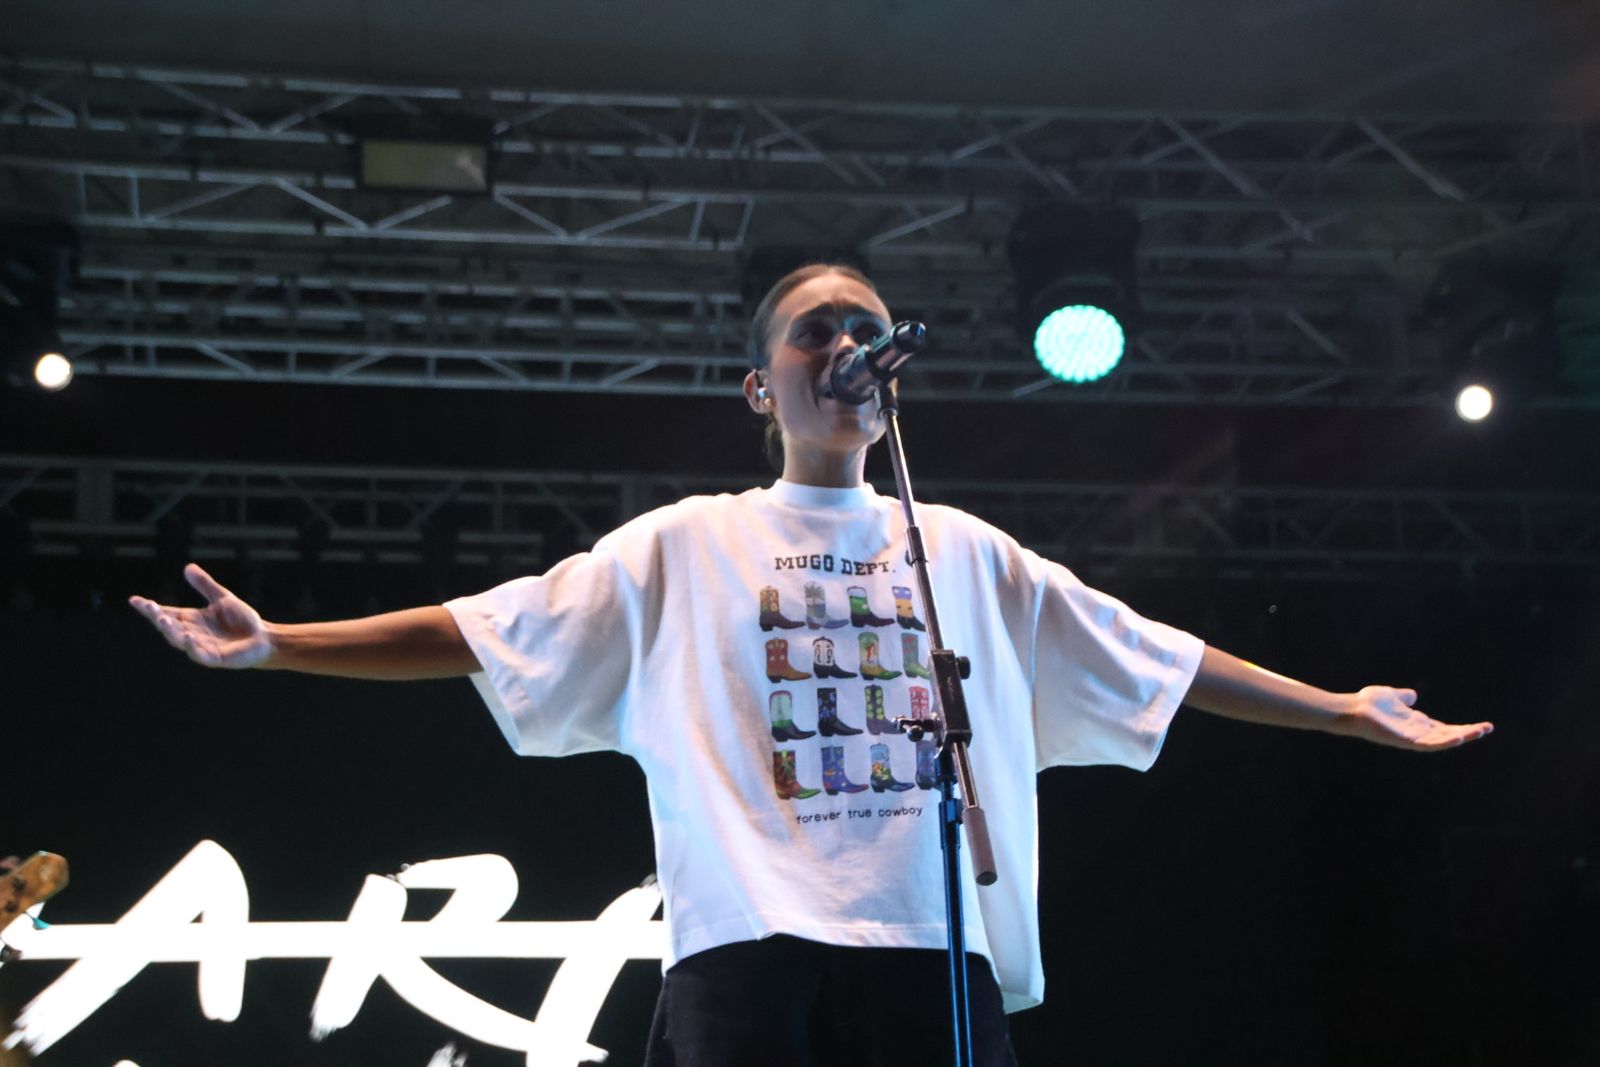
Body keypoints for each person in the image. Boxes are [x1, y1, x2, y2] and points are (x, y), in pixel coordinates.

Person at [130, 263, 1494, 1066]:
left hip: (929, 947)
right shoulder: (686, 544)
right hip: (748, 952)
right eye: (813, 332)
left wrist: (1340, 712)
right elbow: (485, 632)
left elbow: (1157, 657)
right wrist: (278, 647)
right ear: (758, 389)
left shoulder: (958, 545)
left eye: (865, 329)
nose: (846, 346)